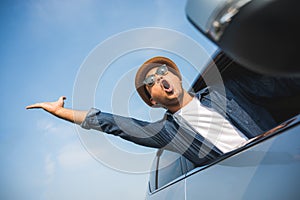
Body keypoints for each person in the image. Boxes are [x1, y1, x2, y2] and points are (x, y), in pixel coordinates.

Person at [26, 56, 266, 166]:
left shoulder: (225, 92)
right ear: (153, 101)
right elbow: (113, 124)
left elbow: (284, 83)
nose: (159, 78)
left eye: (162, 71)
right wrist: (62, 113)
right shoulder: (169, 132)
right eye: (150, 82)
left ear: (177, 77)